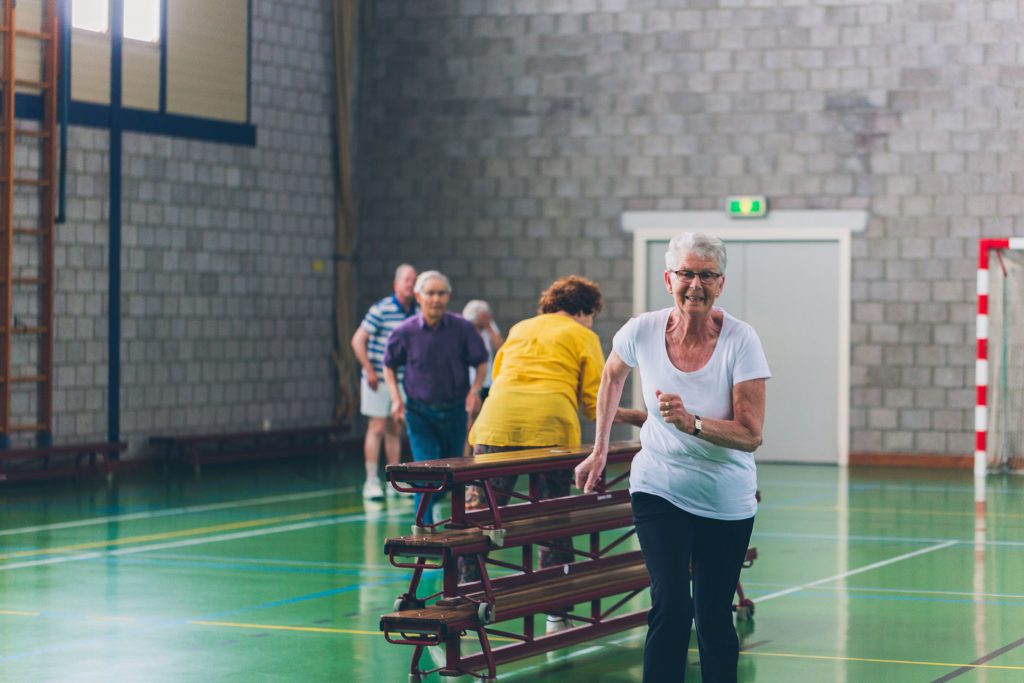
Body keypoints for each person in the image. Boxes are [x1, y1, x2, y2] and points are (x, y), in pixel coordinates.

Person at [574, 233, 770, 682]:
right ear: (668, 280)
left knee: (713, 614)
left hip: (725, 497)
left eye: (707, 275)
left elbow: (751, 434)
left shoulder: (741, 340)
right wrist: (599, 450)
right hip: (659, 487)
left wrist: (692, 423)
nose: (695, 285)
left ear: (721, 284)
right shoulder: (641, 330)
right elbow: (611, 378)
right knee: (671, 603)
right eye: (686, 274)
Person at [460, 276, 645, 632]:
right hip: (550, 428)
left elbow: (499, 377)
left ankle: (467, 603)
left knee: (479, 521)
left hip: (495, 424)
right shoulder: (583, 335)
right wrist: (638, 417)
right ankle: (556, 613)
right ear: (583, 310)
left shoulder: (519, 328)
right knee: (552, 519)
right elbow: (594, 403)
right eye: (591, 316)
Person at [383, 270, 489, 528]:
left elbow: (482, 361)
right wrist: (396, 398)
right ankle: (423, 527)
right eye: (430, 293)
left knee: (450, 473)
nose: (436, 299)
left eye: (441, 293)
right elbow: (389, 365)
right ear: (419, 296)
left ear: (448, 296)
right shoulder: (405, 331)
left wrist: (474, 390)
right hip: (420, 414)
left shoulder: (462, 328)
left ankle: (450, 521)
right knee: (427, 471)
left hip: (455, 412)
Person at [351, 264, 417, 501]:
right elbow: (358, 340)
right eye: (406, 280)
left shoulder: (417, 311)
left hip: (401, 381)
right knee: (377, 427)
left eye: (414, 280)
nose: (410, 284)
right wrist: (369, 369)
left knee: (394, 428)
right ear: (396, 284)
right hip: (378, 379)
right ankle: (371, 481)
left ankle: (393, 481)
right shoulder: (381, 309)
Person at [461, 299, 504, 401]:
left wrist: (488, 326)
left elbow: (501, 347)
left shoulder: (489, 325)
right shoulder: (464, 328)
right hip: (468, 381)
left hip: (488, 381)